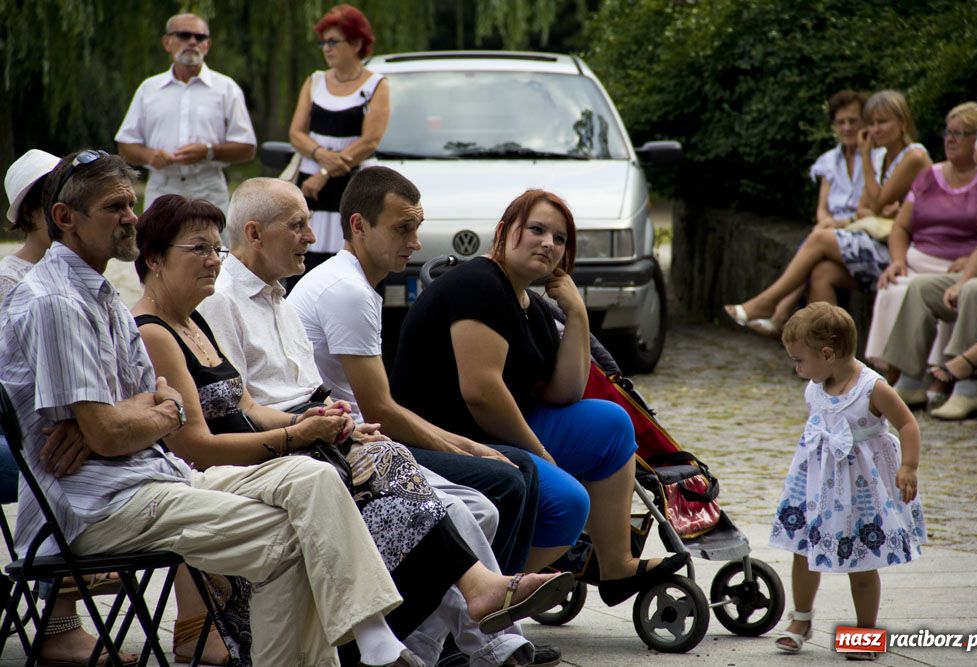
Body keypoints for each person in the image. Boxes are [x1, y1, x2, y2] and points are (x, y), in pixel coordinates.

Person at [0, 149, 418, 667]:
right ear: (65, 217)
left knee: (313, 478)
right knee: (292, 539)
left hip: (152, 475)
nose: (131, 217)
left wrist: (142, 412)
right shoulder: (58, 301)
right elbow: (122, 428)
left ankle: (372, 634)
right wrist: (156, 411)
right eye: (114, 207)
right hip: (99, 505)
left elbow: (138, 413)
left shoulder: (99, 293)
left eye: (131, 203)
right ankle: (366, 641)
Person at [131, 192, 571, 663]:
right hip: (249, 467)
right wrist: (299, 434)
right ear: (155, 259)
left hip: (296, 444)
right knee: (465, 491)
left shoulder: (208, 316)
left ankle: (432, 638)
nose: (311, 236)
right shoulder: (185, 319)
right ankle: (436, 631)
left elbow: (253, 404)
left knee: (447, 486)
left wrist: (314, 421)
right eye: (199, 249)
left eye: (215, 249)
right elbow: (197, 444)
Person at [389, 187, 690, 606]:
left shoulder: (532, 305)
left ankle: (616, 565)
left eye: (560, 238)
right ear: (503, 231)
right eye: (536, 230)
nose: (549, 243)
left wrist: (577, 313)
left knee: (612, 422)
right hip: (443, 435)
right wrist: (540, 453)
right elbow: (481, 393)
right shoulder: (479, 284)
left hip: (495, 427)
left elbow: (564, 392)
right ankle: (470, 596)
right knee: (567, 501)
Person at [288, 168, 544, 580]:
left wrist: (465, 446)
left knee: (522, 467)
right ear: (359, 225)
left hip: (364, 436)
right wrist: (467, 450)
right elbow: (381, 411)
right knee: (507, 480)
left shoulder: (351, 282)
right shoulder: (347, 291)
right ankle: (484, 609)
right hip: (348, 448)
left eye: (417, 227)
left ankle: (501, 601)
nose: (416, 242)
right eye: (402, 228)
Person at [1, 150, 143, 666]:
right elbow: (23, 389)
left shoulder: (86, 279)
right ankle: (61, 612)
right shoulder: (20, 284)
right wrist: (89, 419)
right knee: (53, 453)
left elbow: (132, 377)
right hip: (28, 433)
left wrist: (99, 419)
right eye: (52, 194)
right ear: (37, 213)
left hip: (79, 420)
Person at [770, 303, 925, 659]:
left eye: (799, 360)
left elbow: (907, 423)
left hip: (861, 489)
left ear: (827, 354)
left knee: (863, 561)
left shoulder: (873, 388)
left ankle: (865, 633)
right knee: (803, 550)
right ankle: (801, 619)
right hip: (817, 485)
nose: (796, 368)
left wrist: (909, 466)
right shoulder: (817, 385)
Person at [726, 90, 932, 334]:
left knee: (820, 238)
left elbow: (875, 205)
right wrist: (880, 209)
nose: (876, 129)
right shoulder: (883, 158)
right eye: (873, 123)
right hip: (879, 243)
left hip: (904, 251)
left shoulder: (913, 155)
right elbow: (864, 208)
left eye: (883, 122)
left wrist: (865, 157)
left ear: (902, 122)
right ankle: (832, 351)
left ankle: (768, 303)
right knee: (821, 273)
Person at [864, 102, 977, 379]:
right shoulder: (928, 176)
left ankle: (935, 376)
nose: (950, 139)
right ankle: (895, 376)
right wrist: (897, 260)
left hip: (957, 265)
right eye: (948, 132)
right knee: (892, 287)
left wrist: (970, 261)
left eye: (959, 133)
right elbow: (900, 227)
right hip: (916, 262)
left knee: (949, 296)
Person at [883, 128, 977, 420]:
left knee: (976, 290)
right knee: (922, 288)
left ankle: (967, 388)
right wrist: (962, 281)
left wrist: (971, 283)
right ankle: (909, 382)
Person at [748, 90, 884, 337]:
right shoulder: (829, 160)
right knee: (819, 268)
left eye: (853, 121)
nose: (847, 128)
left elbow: (876, 208)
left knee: (818, 240)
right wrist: (826, 222)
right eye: (840, 122)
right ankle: (828, 346)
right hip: (833, 230)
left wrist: (838, 224)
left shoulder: (879, 157)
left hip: (862, 230)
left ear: (865, 122)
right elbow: (822, 207)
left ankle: (778, 311)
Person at [116, 13, 256, 213]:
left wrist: (208, 151)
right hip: (162, 186)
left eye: (199, 37)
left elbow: (247, 148)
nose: (192, 42)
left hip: (208, 186)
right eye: (184, 35)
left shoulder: (226, 88)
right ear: (167, 42)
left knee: (212, 235)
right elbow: (125, 145)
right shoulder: (149, 89)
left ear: (207, 45)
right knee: (158, 235)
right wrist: (148, 155)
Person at [287, 3, 389, 279]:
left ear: (356, 43)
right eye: (323, 42)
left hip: (354, 186)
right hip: (311, 189)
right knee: (307, 260)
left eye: (333, 41)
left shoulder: (376, 85)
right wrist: (321, 155)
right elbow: (296, 133)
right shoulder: (315, 81)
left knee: (352, 261)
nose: (326, 48)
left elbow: (370, 141)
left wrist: (324, 172)